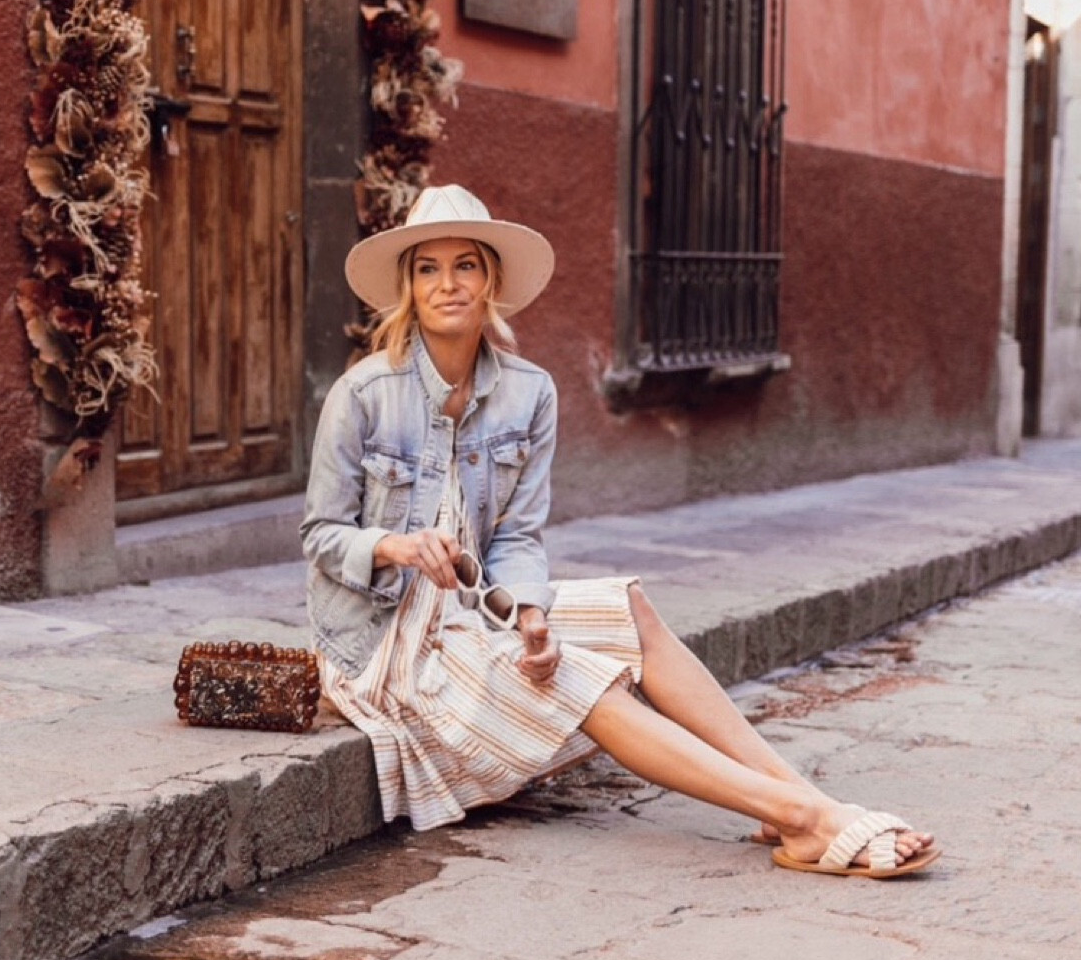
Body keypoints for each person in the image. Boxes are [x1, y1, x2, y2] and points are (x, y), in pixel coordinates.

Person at [301, 185, 939, 878]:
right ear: (408, 285)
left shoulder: (529, 392)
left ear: (491, 282)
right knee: (580, 677)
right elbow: (321, 535)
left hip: (470, 612)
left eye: (466, 265)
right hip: (383, 640)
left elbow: (516, 536)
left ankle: (793, 795)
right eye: (428, 268)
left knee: (628, 608)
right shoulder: (364, 393)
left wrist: (531, 614)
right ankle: (803, 819)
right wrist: (392, 545)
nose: (447, 284)